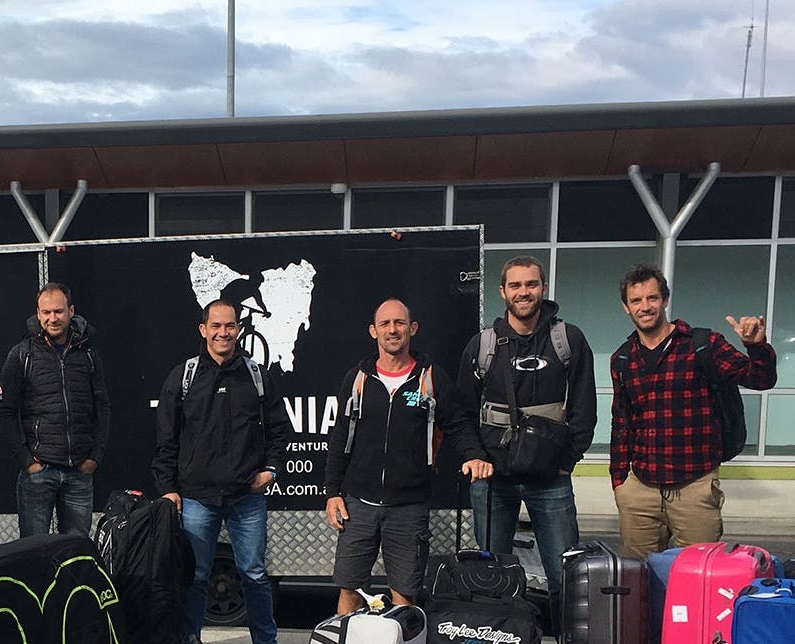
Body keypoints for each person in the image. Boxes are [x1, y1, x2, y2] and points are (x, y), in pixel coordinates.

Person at [152, 295, 295, 644]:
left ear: (239, 329)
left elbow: (280, 430)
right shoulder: (183, 377)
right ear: (203, 330)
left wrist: (271, 470)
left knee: (254, 575)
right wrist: (169, 488)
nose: (223, 333)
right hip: (197, 497)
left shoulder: (257, 376)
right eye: (215, 326)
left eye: (229, 325)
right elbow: (166, 438)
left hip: (246, 497)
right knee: (196, 577)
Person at [325, 299, 492, 616]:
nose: (393, 330)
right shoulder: (357, 379)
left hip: (408, 508)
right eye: (385, 324)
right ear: (374, 331)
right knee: (350, 591)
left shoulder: (431, 378)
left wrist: (473, 455)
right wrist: (333, 492)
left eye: (399, 323)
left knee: (404, 596)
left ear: (412, 329)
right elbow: (340, 437)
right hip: (358, 504)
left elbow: (457, 424)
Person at [456, 255, 597, 614]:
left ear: (543, 287)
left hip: (551, 479)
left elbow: (584, 406)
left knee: (566, 577)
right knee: (491, 577)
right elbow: (463, 413)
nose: (524, 292)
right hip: (493, 481)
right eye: (515, 285)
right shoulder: (482, 346)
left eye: (531, 284)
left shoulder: (568, 340)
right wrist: (475, 457)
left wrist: (568, 461)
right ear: (503, 291)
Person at [609, 262, 776, 554]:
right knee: (637, 580)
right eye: (636, 300)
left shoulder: (703, 344)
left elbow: (760, 379)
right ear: (626, 307)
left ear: (665, 299)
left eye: (652, 298)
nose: (645, 306)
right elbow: (622, 421)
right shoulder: (623, 358)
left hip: (694, 484)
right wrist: (619, 481)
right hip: (640, 489)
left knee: (700, 577)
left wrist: (757, 346)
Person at [0, 282, 111, 537]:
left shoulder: (88, 353)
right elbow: (4, 413)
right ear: (37, 314)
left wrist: (95, 456)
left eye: (58, 311)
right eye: (46, 312)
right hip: (38, 472)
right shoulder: (21, 354)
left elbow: (102, 406)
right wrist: (26, 460)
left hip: (80, 472)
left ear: (71, 311)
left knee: (76, 552)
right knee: (32, 552)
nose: (52, 318)